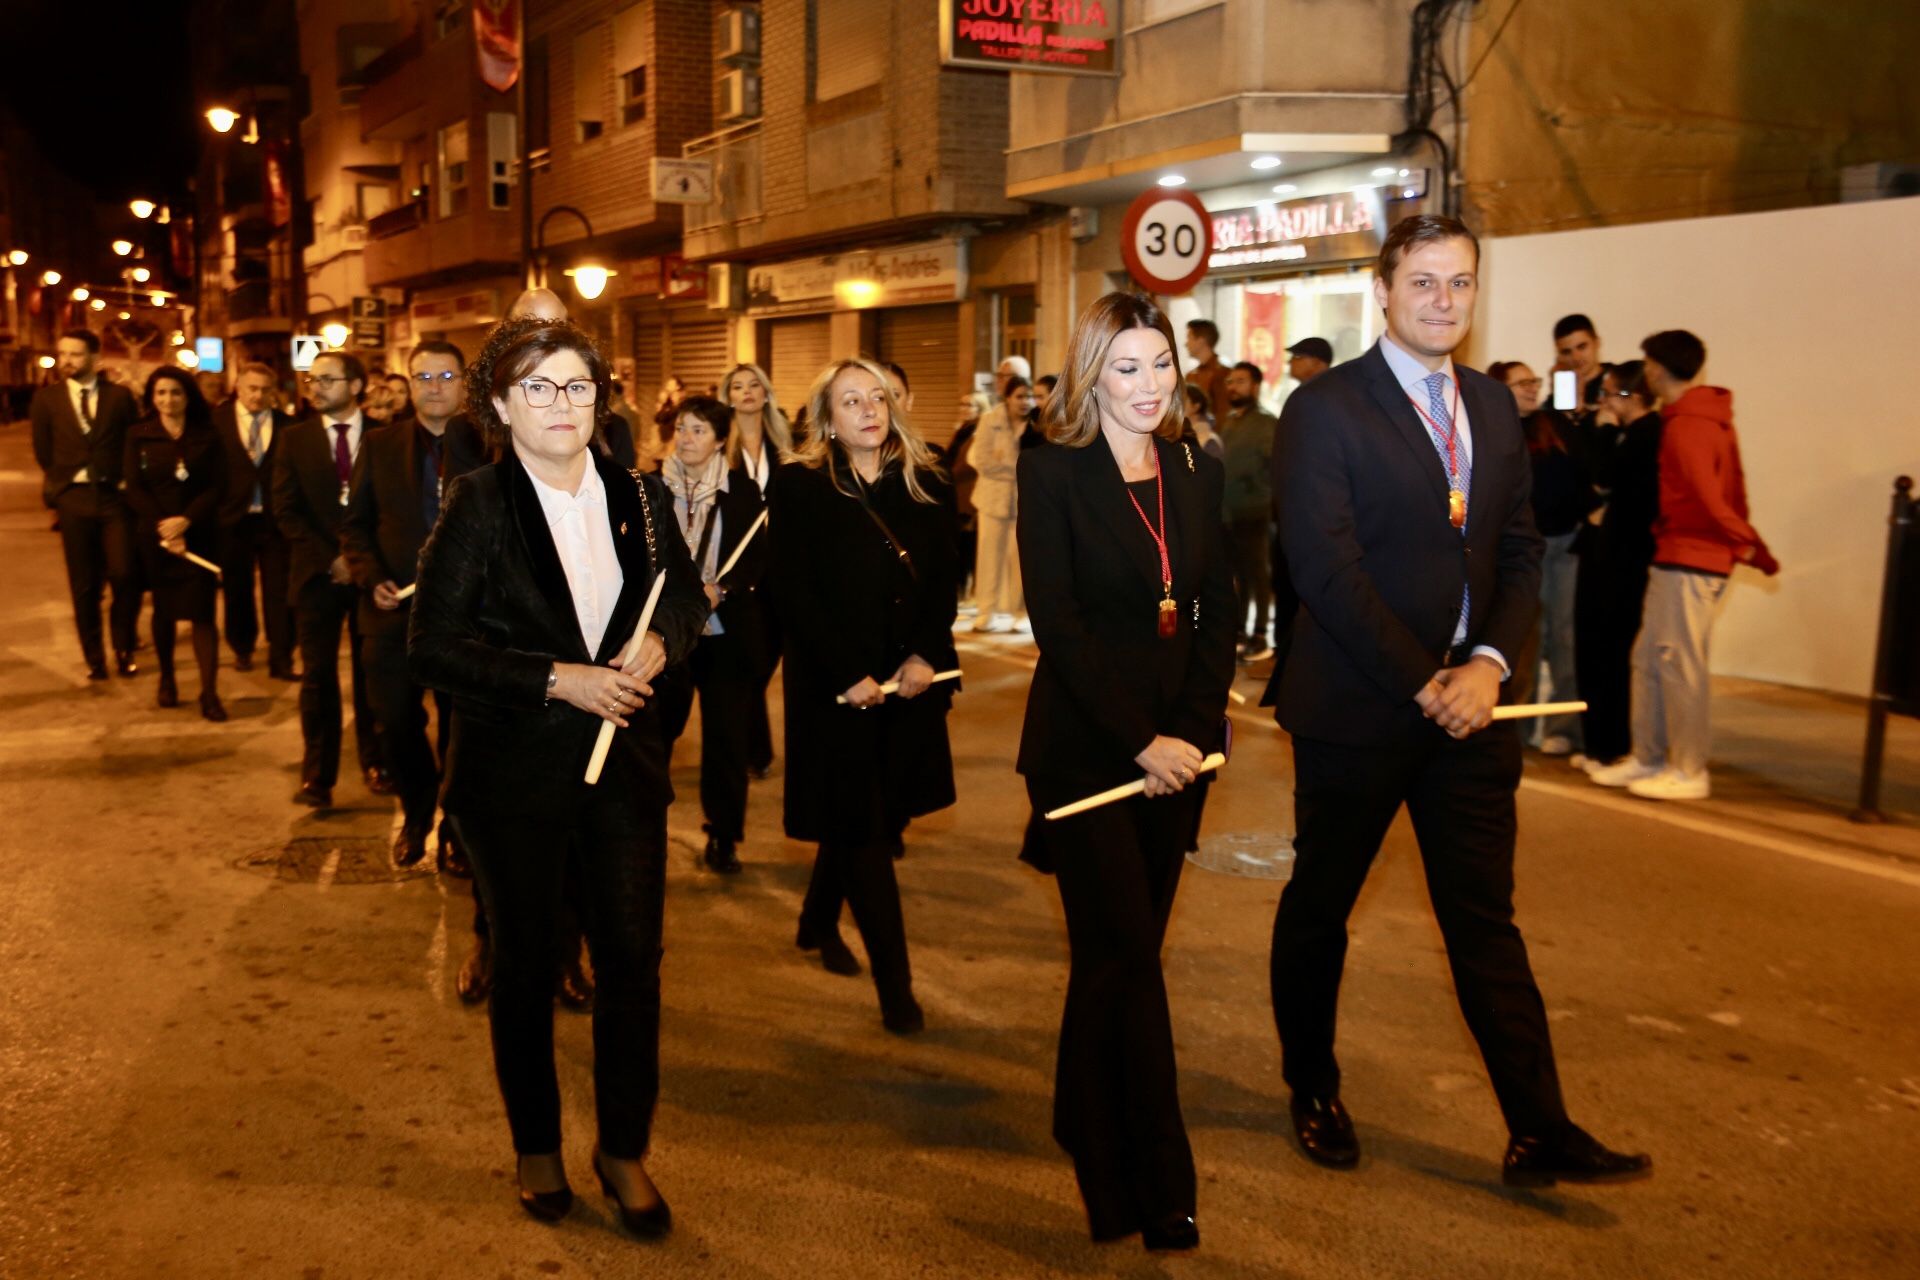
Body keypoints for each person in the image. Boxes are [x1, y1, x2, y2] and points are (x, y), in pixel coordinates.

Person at [1266, 214, 1652, 1189]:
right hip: (1360, 704)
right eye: (1425, 281)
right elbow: (1324, 565)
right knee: (1322, 908)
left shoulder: (1489, 406)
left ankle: (1539, 1127)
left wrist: (1486, 662)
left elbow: (1517, 547)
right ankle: (1312, 1086)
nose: (1444, 299)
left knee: (1486, 920)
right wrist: (1421, 678)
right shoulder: (1327, 408)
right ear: (1384, 290)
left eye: (1462, 283)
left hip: (1471, 713)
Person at [408, 317, 707, 1233]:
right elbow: (432, 647)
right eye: (537, 388)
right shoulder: (477, 502)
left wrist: (663, 640)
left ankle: (623, 1149)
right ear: (500, 405)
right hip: (512, 778)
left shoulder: (643, 496)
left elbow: (688, 597)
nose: (561, 404)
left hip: (624, 772)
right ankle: (536, 1145)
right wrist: (556, 679)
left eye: (577, 386)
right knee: (529, 964)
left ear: (600, 398)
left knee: (632, 964)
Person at [1015, 292, 1234, 1253]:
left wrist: (1186, 734)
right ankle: (1149, 1181)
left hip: (1180, 759)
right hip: (1087, 756)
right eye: (1128, 368)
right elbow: (1057, 623)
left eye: (1162, 366)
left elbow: (1215, 609)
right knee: (1134, 964)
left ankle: (1079, 1117)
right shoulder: (1052, 467)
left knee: (1112, 961)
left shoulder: (1193, 464)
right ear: (1093, 371)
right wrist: (1139, 740)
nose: (1149, 387)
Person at [770, 358, 958, 1034]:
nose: (868, 410)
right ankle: (896, 987)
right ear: (826, 417)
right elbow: (794, 591)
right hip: (835, 688)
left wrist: (923, 655)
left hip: (907, 683)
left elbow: (944, 581)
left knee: (870, 816)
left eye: (877, 397)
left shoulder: (928, 477)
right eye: (851, 401)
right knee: (864, 828)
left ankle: (817, 919)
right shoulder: (799, 487)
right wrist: (847, 671)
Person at [1589, 330, 1779, 801]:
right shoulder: (1695, 419)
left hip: (1693, 559)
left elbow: (1712, 499)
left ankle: (1689, 768)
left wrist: (1752, 546)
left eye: (1648, 364)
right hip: (1675, 555)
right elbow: (1735, 490)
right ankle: (1648, 757)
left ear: (1655, 369)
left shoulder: (1690, 424)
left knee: (1680, 665)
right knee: (1649, 659)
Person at [342, 339, 487, 867]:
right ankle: (418, 812)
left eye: (446, 377)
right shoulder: (379, 446)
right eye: (423, 378)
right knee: (395, 721)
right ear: (408, 384)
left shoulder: (491, 444)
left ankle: (455, 828)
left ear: (465, 383)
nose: (434, 388)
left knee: (462, 729)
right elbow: (355, 527)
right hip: (392, 613)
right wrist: (372, 577)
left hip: (469, 618)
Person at [657, 395, 769, 874]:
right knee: (656, 735)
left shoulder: (743, 493)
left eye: (699, 430)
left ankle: (724, 834)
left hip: (726, 634)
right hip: (667, 635)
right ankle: (642, 826)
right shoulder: (650, 488)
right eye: (682, 428)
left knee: (726, 740)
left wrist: (723, 587)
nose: (686, 438)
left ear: (721, 439)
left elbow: (758, 557)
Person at [273, 351, 389, 808]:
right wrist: (333, 559)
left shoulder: (385, 437)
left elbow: (392, 510)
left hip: (372, 578)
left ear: (356, 386)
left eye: (327, 379)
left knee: (371, 675)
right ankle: (317, 775)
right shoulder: (294, 440)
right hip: (316, 575)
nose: (315, 387)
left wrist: (362, 563)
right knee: (318, 677)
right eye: (311, 379)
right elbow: (286, 510)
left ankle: (376, 762)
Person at [1489, 360, 1593, 755]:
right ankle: (1516, 727)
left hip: (1563, 545)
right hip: (1516, 552)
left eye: (1534, 381)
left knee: (1563, 638)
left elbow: (1583, 473)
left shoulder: (1556, 424)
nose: (1532, 389)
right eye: (1522, 383)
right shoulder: (1491, 432)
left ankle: (1563, 728)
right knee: (1519, 639)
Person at [30, 328, 143, 679]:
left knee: (125, 574)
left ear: (95, 359)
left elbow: (132, 441)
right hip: (74, 499)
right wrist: (62, 485)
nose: (66, 361)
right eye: (63, 354)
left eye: (75, 354)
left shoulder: (119, 397)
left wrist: (126, 480)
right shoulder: (46, 400)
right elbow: (43, 450)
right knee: (84, 584)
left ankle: (123, 646)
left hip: (113, 498)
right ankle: (95, 658)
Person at [123, 368, 229, 719]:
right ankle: (167, 679)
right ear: (152, 397)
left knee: (202, 613)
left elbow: (216, 485)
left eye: (176, 393)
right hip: (155, 536)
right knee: (164, 611)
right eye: (161, 393)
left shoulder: (208, 434)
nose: (168, 400)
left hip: (198, 532)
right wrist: (166, 528)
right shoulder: (139, 435)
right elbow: (135, 488)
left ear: (188, 396)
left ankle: (210, 693)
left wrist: (186, 521)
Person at [1572, 361, 1663, 767]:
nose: (1603, 402)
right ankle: (1600, 745)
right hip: (1609, 553)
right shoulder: (1634, 433)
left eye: (1609, 394)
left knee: (1611, 652)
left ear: (1632, 397)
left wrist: (1606, 427)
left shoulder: (1646, 433)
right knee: (1597, 649)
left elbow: (1604, 478)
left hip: (1624, 559)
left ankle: (1612, 747)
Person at [722, 362, 792, 777]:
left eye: (754, 385)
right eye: (737, 386)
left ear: (766, 394)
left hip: (780, 564)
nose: (746, 392)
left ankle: (752, 744)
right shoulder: (720, 447)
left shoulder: (785, 444)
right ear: (727, 396)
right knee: (750, 659)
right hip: (738, 568)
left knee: (769, 657)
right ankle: (755, 749)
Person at [214, 363, 297, 679]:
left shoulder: (288, 425)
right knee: (238, 589)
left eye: (265, 389)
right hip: (233, 521)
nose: (258, 395)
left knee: (279, 591)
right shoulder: (216, 423)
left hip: (275, 522)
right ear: (238, 386)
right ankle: (242, 647)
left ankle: (282, 655)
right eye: (252, 388)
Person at [1218, 361, 1277, 660]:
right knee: (1236, 575)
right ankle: (1239, 630)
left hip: (1254, 511)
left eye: (1240, 381)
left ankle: (1261, 634)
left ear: (1255, 386)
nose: (1233, 386)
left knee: (1257, 574)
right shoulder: (1229, 422)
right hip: (1228, 513)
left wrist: (1257, 490)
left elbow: (1275, 468)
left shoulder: (1266, 423)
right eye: (1230, 381)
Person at [969, 374, 1034, 632]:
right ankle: (987, 611)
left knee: (1021, 561)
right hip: (992, 500)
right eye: (1019, 396)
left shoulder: (1037, 424)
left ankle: (1020, 612)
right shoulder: (989, 420)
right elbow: (983, 461)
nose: (1025, 401)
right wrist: (1017, 468)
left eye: (1028, 396)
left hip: (1023, 502)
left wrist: (1009, 468)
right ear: (1007, 398)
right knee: (989, 558)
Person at [1553, 314, 1605, 410]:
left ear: (1597, 342)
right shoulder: (1557, 399)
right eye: (1566, 352)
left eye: (1582, 347)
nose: (1576, 358)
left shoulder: (1620, 382)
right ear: (1559, 356)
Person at [1182, 319, 1228, 422]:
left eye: (1189, 338)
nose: (1186, 343)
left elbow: (1223, 414)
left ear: (1201, 340)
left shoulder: (1222, 373)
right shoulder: (1191, 374)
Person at [1182, 383, 1222, 460]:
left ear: (1196, 406)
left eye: (1183, 400)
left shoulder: (1210, 441)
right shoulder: (1183, 433)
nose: (1178, 405)